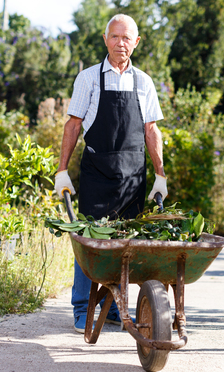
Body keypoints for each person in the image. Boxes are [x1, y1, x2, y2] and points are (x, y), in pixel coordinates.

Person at [54, 14, 168, 333]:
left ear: (136, 42)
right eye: (115, 37)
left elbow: (151, 130)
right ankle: (82, 309)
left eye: (126, 38)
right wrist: (61, 170)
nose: (121, 43)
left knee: (125, 246)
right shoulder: (88, 78)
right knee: (89, 243)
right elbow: (73, 125)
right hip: (97, 174)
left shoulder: (144, 82)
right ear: (105, 39)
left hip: (132, 177)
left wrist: (160, 175)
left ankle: (115, 308)